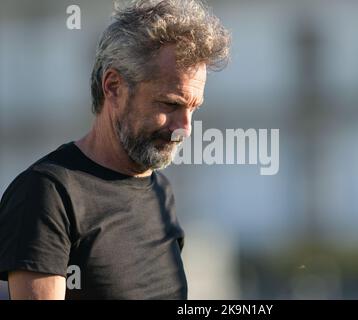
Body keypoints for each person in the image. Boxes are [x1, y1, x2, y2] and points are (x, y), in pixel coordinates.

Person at [0, 0, 230, 300]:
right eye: (170, 104)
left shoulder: (161, 192)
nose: (184, 127)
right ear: (113, 87)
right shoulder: (48, 194)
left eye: (193, 108)